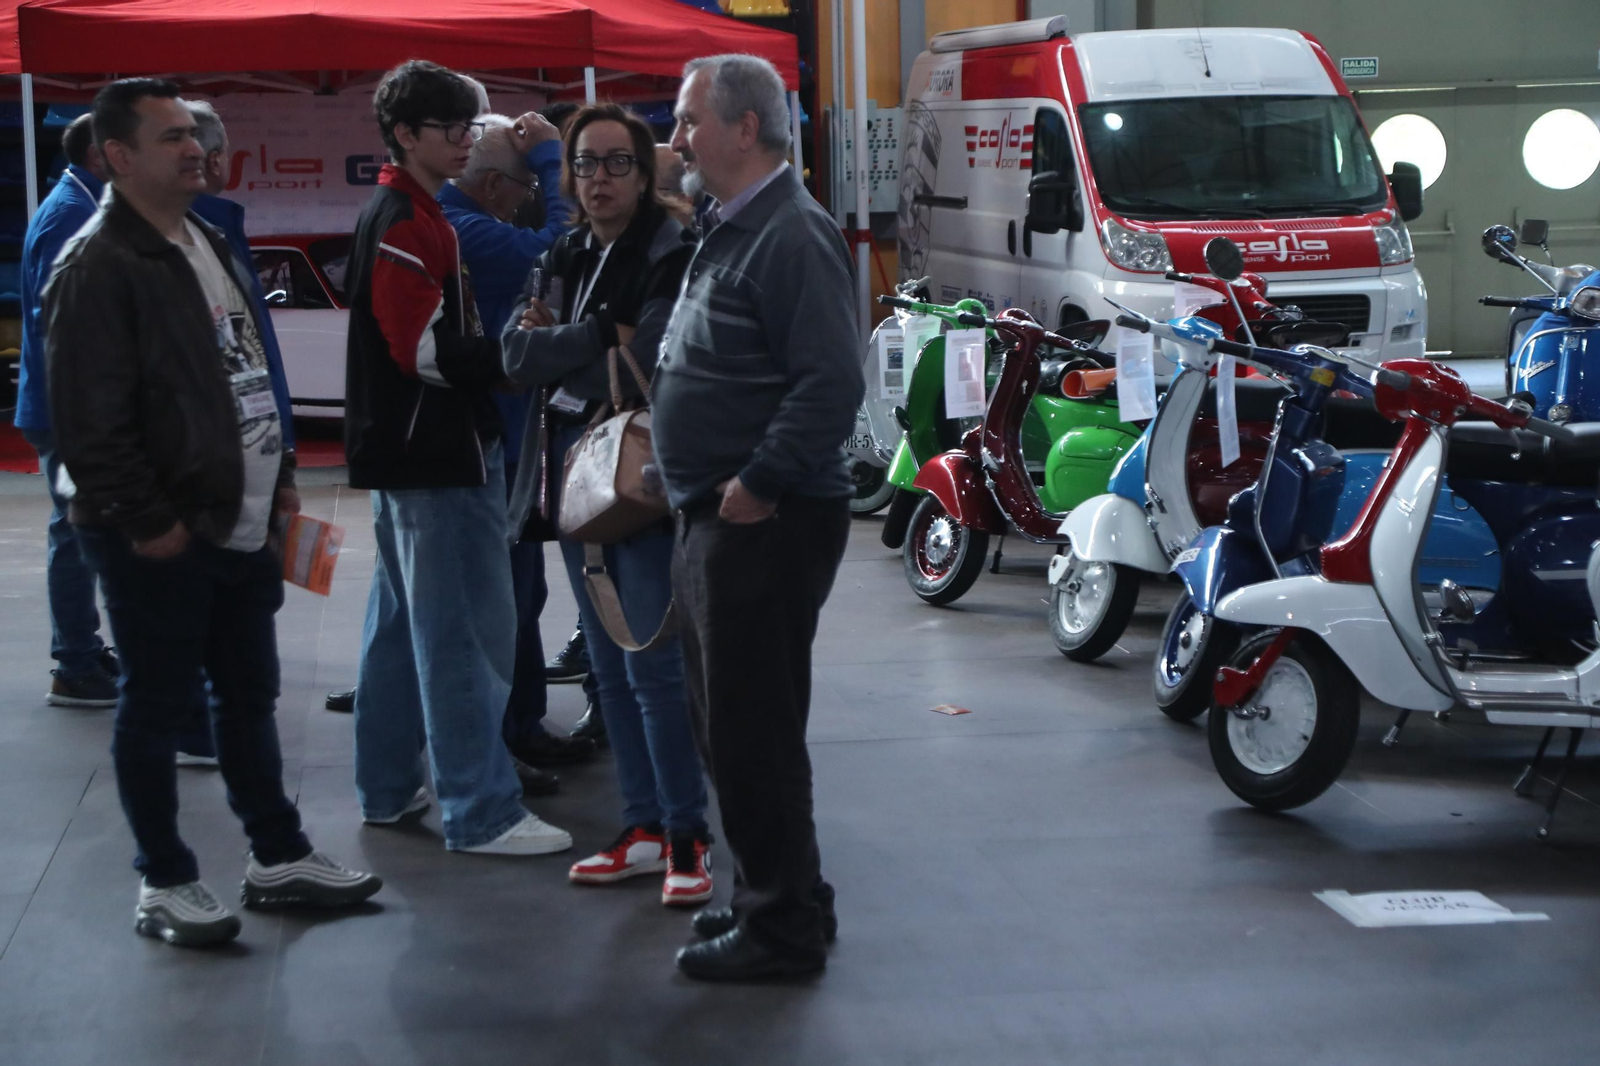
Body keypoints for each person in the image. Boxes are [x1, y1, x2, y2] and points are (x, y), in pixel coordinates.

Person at [44, 78, 382, 947]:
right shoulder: (99, 262)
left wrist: (277, 488)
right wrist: (146, 520)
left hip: (236, 517)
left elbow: (242, 373)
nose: (194, 147)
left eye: (192, 133)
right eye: (170, 138)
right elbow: (87, 418)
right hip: (161, 533)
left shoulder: (200, 237)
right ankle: (164, 880)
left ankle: (277, 854)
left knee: (248, 694)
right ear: (118, 157)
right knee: (156, 706)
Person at [656, 54, 863, 980]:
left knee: (753, 733)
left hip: (761, 523)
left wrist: (760, 483)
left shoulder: (791, 233)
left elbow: (832, 380)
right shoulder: (734, 226)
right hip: (722, 518)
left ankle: (780, 928)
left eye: (690, 118)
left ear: (746, 127)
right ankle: (783, 901)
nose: (677, 137)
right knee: (733, 729)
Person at [344, 59, 570, 856]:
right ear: (406, 133)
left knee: (405, 632)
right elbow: (428, 354)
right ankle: (480, 809)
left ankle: (388, 786)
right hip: (436, 456)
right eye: (452, 130)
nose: (467, 145)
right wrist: (519, 354)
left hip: (416, 456)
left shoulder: (414, 215)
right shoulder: (409, 222)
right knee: (463, 638)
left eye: (469, 130)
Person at [501, 102, 711, 907]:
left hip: (639, 473)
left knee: (651, 660)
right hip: (568, 471)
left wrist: (576, 341)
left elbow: (653, 350)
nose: (599, 179)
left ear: (645, 170)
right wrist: (595, 335)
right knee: (608, 665)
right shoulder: (563, 250)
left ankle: (687, 833)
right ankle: (642, 824)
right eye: (585, 163)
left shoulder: (670, 248)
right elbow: (516, 354)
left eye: (616, 162)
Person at [437, 112, 594, 782]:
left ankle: (517, 722)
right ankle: (508, 733)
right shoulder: (471, 231)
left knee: (514, 594)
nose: (526, 197)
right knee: (503, 596)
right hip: (492, 442)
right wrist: (557, 157)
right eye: (522, 184)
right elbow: (565, 244)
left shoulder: (462, 225)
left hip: (500, 438)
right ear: (496, 183)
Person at [15, 115, 119, 709]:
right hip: (66, 408)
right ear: (102, 154)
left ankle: (80, 647)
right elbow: (58, 322)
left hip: (64, 402)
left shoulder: (76, 205)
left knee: (81, 530)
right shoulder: (71, 216)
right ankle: (74, 663)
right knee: (77, 532)